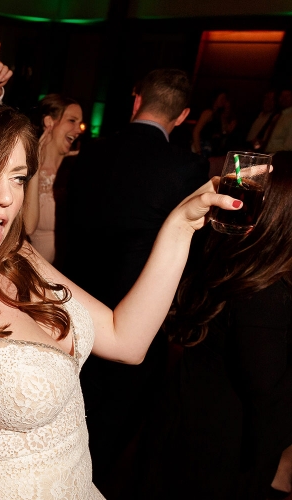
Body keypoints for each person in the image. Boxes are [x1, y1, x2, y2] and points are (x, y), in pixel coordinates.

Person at [0, 101, 240, 499]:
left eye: (17, 178)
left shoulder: (17, 256)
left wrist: (181, 225)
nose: (6, 198)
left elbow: (126, 340)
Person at [62, 68, 208, 497]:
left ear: (136, 99)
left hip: (74, 301)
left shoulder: (91, 151)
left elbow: (71, 222)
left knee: (70, 409)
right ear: (182, 116)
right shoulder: (186, 166)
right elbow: (190, 251)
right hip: (137, 313)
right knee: (115, 422)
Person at [137, 151, 292, 500]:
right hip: (211, 454)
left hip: (185, 425)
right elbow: (268, 398)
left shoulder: (237, 257)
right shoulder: (264, 292)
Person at [23, 94, 82, 265]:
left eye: (79, 123)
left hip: (70, 269)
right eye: (72, 121)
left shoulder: (78, 166)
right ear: (49, 122)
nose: (78, 130)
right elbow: (27, 227)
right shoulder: (26, 166)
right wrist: (35, 167)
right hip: (33, 269)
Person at [191, 88, 237, 157]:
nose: (223, 101)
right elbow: (196, 131)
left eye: (225, 99)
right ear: (215, 98)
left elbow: (223, 132)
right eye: (222, 98)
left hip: (210, 149)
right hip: (202, 147)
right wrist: (199, 151)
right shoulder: (208, 112)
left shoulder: (218, 115)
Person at [265, 87, 292, 153]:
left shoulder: (290, 118)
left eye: (287, 96)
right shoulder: (277, 116)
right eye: (282, 96)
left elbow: (288, 147)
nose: (283, 98)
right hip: (266, 154)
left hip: (279, 156)